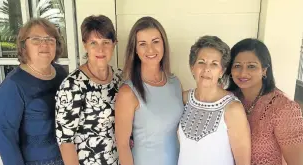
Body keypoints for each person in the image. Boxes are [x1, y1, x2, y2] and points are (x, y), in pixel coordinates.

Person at [0, 18, 67, 165]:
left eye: (50, 39)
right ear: (23, 46)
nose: (44, 44)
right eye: (36, 39)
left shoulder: (61, 74)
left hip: (68, 157)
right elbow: (5, 140)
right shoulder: (13, 85)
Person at [115, 16, 184, 165]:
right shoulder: (128, 92)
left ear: (163, 43)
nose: (150, 49)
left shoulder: (175, 83)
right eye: (142, 44)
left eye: (155, 41)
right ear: (135, 50)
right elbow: (123, 146)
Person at [55, 15, 122, 165]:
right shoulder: (72, 85)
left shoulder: (120, 78)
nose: (100, 49)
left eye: (106, 42)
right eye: (93, 43)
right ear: (85, 45)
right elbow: (66, 142)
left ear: (114, 44)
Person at [225, 38, 303, 165]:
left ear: (264, 70)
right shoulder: (227, 100)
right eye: (237, 66)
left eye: (251, 66)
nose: (243, 73)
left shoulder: (284, 108)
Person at [178, 36, 251, 165]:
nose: (207, 69)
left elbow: (243, 162)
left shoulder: (232, 108)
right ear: (192, 67)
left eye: (214, 64)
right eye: (201, 62)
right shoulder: (183, 99)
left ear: (221, 72)